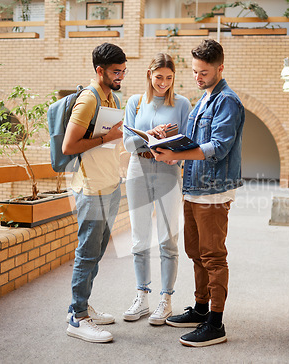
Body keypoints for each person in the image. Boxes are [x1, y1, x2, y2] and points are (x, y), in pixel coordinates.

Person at [152, 39, 245, 347]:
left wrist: (176, 155)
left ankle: (215, 324)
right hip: (193, 188)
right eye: (194, 72)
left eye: (204, 72)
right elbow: (194, 142)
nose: (198, 77)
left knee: (213, 257)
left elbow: (217, 148)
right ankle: (201, 308)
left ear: (220, 68)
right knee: (196, 253)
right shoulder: (204, 98)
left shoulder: (227, 101)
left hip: (213, 192)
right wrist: (170, 142)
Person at [62, 43, 127, 343]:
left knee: (97, 252)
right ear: (99, 70)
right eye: (116, 72)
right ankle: (77, 319)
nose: (120, 77)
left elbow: (112, 140)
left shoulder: (111, 96)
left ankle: (81, 305)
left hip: (110, 185)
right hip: (91, 190)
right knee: (87, 254)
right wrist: (107, 136)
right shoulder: (88, 99)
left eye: (123, 72)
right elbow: (69, 146)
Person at [123, 53, 191, 325]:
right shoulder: (135, 102)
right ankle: (142, 296)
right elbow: (128, 143)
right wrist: (152, 136)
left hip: (168, 171)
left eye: (169, 78)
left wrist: (172, 149)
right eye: (159, 76)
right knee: (139, 238)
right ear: (150, 75)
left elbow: (188, 143)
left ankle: (166, 299)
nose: (163, 82)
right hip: (137, 169)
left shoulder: (183, 104)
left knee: (167, 238)